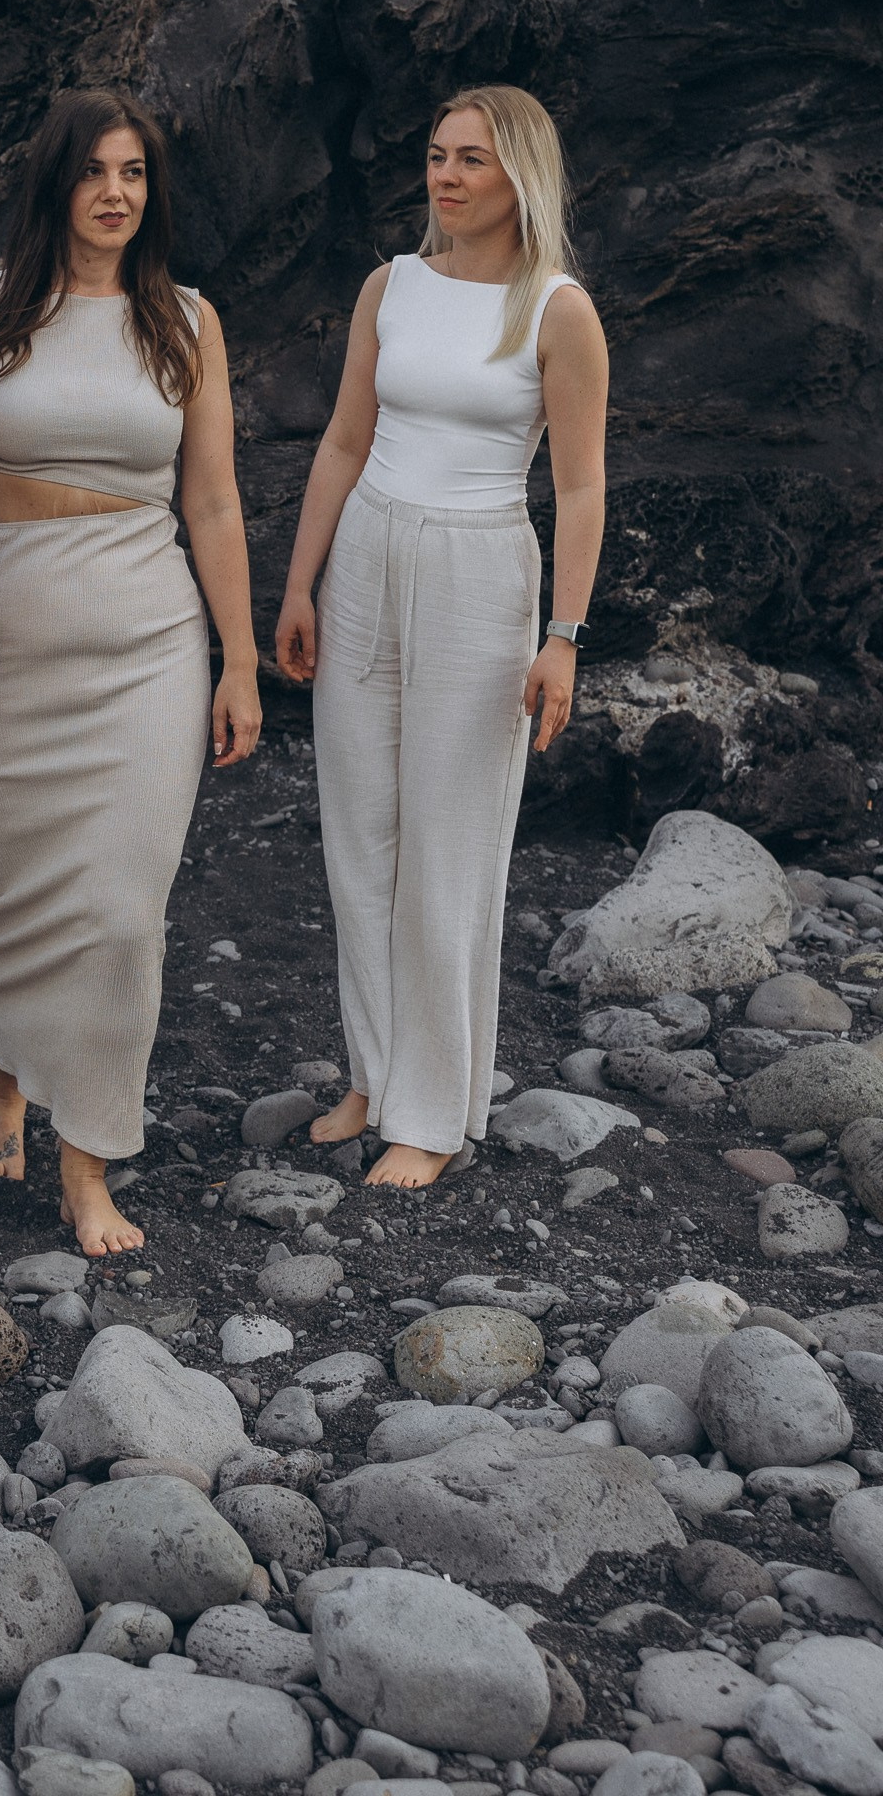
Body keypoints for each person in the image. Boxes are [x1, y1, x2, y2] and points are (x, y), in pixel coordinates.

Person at [0, 87, 261, 1259]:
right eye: (93, 173)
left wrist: (239, 660)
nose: (115, 193)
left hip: (146, 639)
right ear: (54, 184)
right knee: (9, 890)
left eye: (132, 173)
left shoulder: (182, 320)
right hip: (8, 629)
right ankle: (5, 1084)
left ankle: (87, 1167)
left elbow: (212, 500)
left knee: (121, 912)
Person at [275, 83, 609, 1190]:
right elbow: (339, 440)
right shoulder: (392, 285)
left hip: (478, 567)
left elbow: (578, 484)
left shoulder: (554, 309)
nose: (445, 176)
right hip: (365, 552)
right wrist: (300, 585)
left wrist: (561, 636)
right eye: (434, 155)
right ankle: (372, 1071)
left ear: (520, 177)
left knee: (449, 841)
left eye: (470, 159)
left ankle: (431, 1110)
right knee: (358, 828)